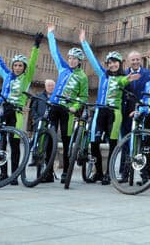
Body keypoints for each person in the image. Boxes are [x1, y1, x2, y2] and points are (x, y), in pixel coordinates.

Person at [80, 30, 139, 185]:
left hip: (115, 113)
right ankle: (98, 172)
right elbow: (92, 60)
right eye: (110, 62)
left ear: (120, 64)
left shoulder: (122, 78)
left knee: (113, 144)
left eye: (115, 62)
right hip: (100, 111)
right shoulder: (103, 75)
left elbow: (122, 83)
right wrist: (84, 43)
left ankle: (108, 173)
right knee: (94, 143)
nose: (112, 64)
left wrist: (128, 78)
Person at [0, 30, 43, 185]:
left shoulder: (27, 77)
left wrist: (36, 45)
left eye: (20, 65)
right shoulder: (7, 75)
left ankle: (14, 175)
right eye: (15, 65)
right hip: (4, 110)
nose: (17, 68)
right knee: (1, 143)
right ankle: (3, 174)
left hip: (16, 113)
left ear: (24, 67)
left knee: (15, 144)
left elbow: (32, 61)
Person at [46, 23, 89, 183]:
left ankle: (65, 172)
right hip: (54, 106)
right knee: (50, 139)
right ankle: (48, 172)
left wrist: (75, 107)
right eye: (70, 58)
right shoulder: (62, 68)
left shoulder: (83, 77)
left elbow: (83, 97)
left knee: (65, 140)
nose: (71, 61)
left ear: (80, 61)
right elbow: (54, 52)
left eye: (74, 59)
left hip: (67, 110)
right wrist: (51, 34)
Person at [122, 51, 150, 137]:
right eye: (133, 60)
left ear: (141, 60)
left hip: (142, 108)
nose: (135, 62)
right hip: (126, 109)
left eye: (137, 59)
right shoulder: (123, 74)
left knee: (141, 135)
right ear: (128, 61)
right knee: (126, 135)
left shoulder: (148, 73)